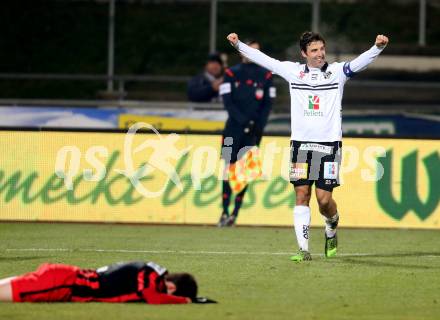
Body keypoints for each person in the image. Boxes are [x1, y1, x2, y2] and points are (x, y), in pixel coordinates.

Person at [226, 32, 389, 260]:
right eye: (314, 50)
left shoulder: (337, 72)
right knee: (302, 195)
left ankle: (331, 225)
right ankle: (303, 249)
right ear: (304, 53)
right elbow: (263, 59)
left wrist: (377, 48)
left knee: (323, 201)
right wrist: (238, 44)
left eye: (322, 48)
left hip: (330, 145)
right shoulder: (293, 71)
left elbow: (358, 63)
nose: (320, 53)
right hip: (301, 146)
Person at [218, 40, 276, 227]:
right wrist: (243, 121)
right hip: (231, 130)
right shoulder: (231, 73)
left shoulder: (266, 75)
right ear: (242, 52)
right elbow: (227, 101)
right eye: (249, 50)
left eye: (256, 51)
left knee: (244, 171)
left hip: (253, 132)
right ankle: (224, 211)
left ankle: (235, 213)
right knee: (227, 168)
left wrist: (258, 125)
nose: (251, 54)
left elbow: (268, 104)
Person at [0, 260, 215, 304]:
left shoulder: (149, 271)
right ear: (172, 288)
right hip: (64, 283)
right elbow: (152, 297)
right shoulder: (152, 274)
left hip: (64, 279)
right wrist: (186, 302)